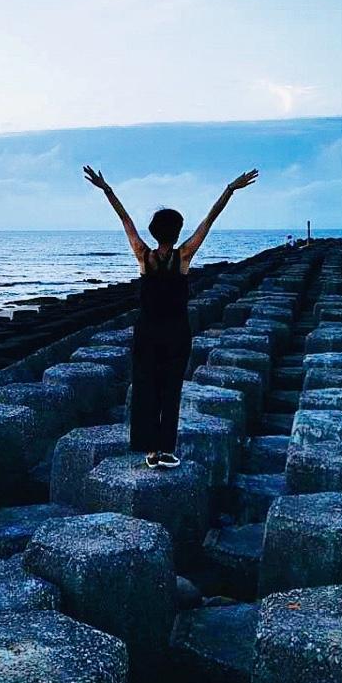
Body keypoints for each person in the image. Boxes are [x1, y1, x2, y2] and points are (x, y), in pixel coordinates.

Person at [83, 164, 259, 468]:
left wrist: (107, 189)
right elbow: (209, 220)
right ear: (177, 232)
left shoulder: (144, 256)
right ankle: (165, 450)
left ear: (154, 232)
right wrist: (230, 189)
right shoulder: (183, 256)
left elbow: (125, 219)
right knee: (171, 390)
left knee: (147, 388)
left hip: (147, 332)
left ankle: (151, 451)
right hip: (176, 332)